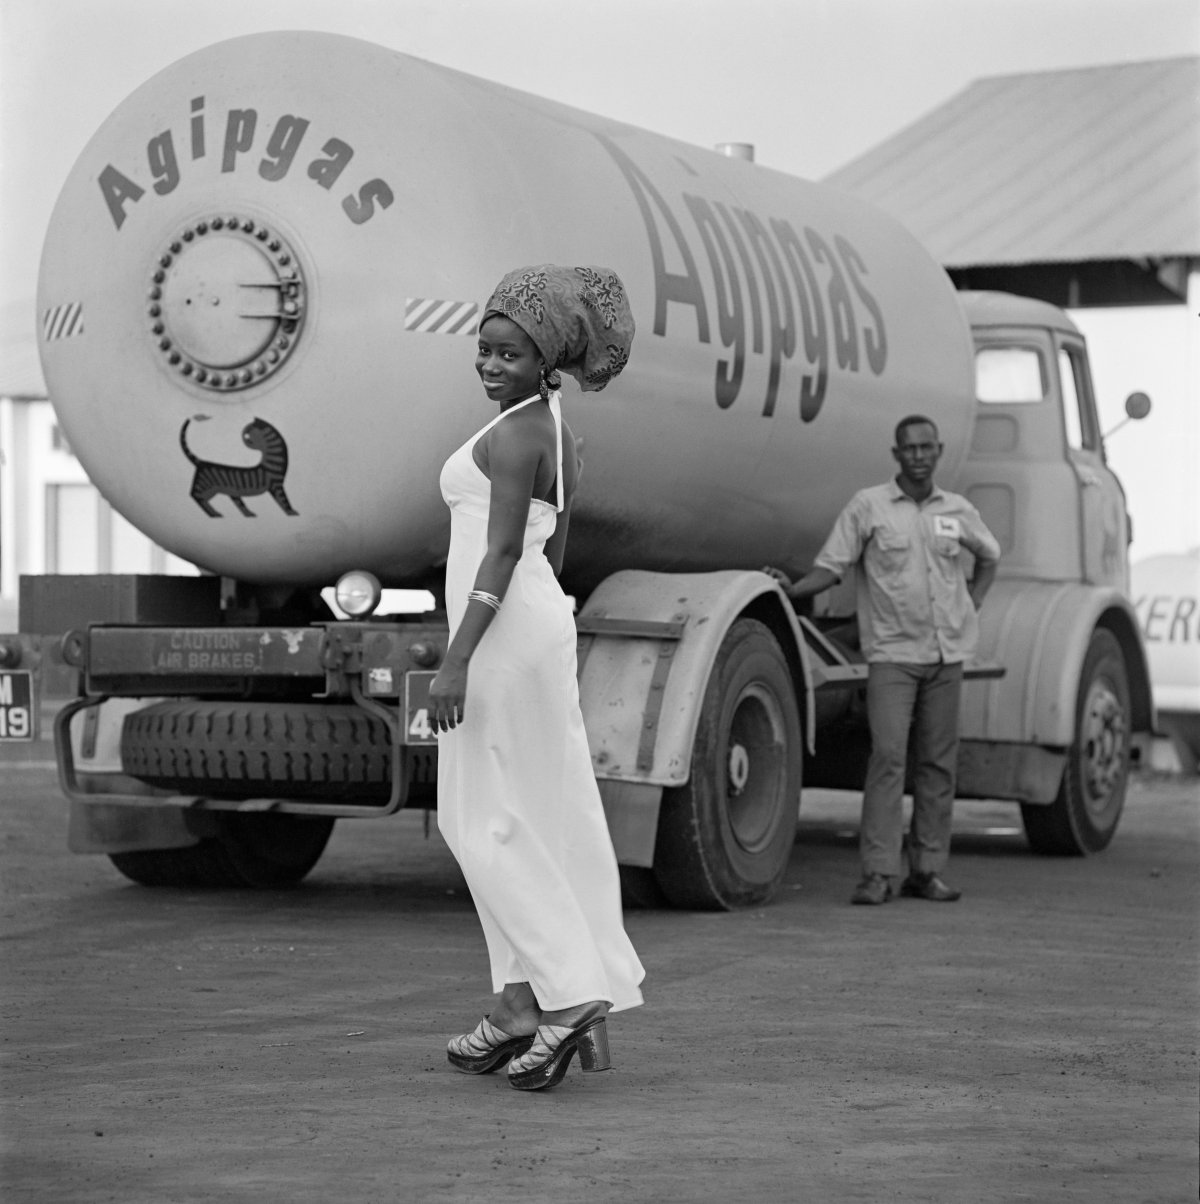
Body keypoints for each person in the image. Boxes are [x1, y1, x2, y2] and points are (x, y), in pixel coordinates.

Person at [429, 264, 645, 1092]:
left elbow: (506, 549)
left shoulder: (519, 432)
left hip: (502, 638)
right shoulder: (551, 423)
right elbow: (555, 547)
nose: (489, 364)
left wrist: (459, 657)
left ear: (545, 360)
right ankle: (522, 1002)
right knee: (525, 815)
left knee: (480, 820)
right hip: (529, 625)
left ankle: (567, 996)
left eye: (509, 354)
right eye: (483, 348)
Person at [766, 415, 1000, 906]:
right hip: (893, 655)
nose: (918, 455)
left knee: (937, 765)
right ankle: (878, 873)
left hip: (946, 654)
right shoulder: (868, 507)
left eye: (926, 447)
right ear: (896, 455)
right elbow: (832, 568)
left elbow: (990, 556)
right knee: (889, 760)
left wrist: (971, 602)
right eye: (908, 448)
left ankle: (928, 870)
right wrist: (792, 589)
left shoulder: (957, 510)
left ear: (938, 451)